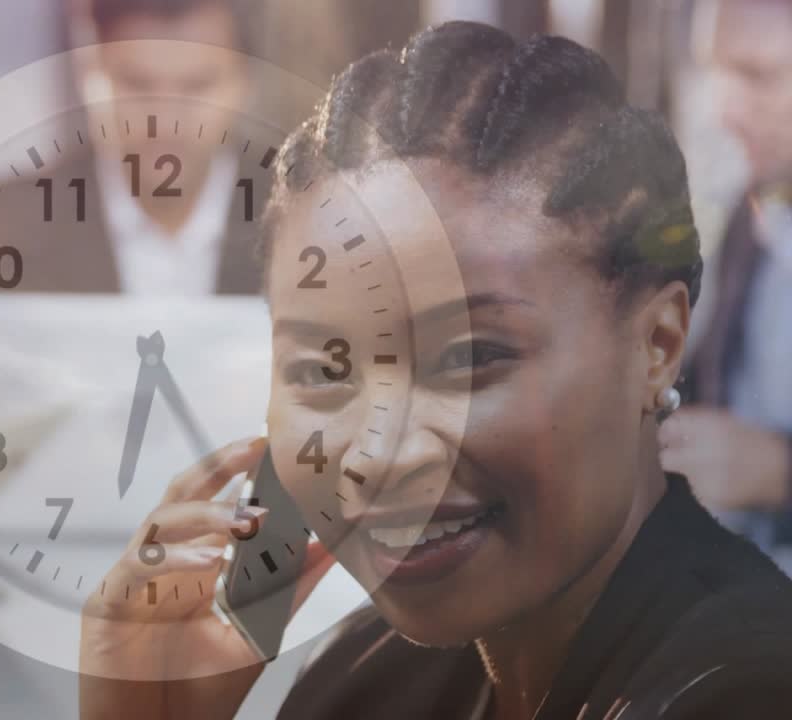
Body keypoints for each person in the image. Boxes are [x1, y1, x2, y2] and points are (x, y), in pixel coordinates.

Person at [80, 22, 792, 720]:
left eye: (472, 359)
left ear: (658, 346)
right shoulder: (376, 669)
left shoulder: (745, 691)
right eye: (325, 371)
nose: (378, 454)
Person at [0, 0, 264, 296]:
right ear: (88, 74)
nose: (164, 121)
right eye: (137, 84)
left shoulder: (300, 220)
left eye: (197, 86)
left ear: (245, 82)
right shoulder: (8, 224)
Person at [663, 0, 792, 574]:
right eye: (713, 69)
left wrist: (779, 472)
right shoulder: (756, 205)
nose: (723, 109)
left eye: (758, 74)